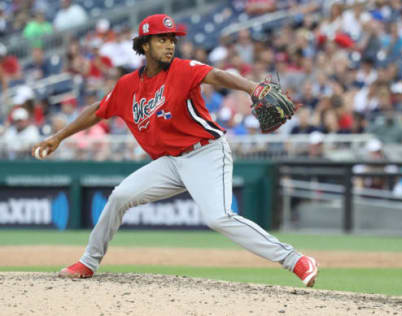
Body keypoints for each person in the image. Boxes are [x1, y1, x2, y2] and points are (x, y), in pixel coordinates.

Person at [32, 14, 318, 287]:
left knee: (218, 217)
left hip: (206, 153)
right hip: (170, 162)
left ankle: (296, 260)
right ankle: (88, 262)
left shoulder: (182, 69)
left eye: (172, 39)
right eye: (161, 39)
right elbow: (97, 110)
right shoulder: (127, 85)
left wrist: (252, 87)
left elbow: (216, 75)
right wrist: (59, 136)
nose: (169, 44)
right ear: (144, 45)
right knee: (120, 196)